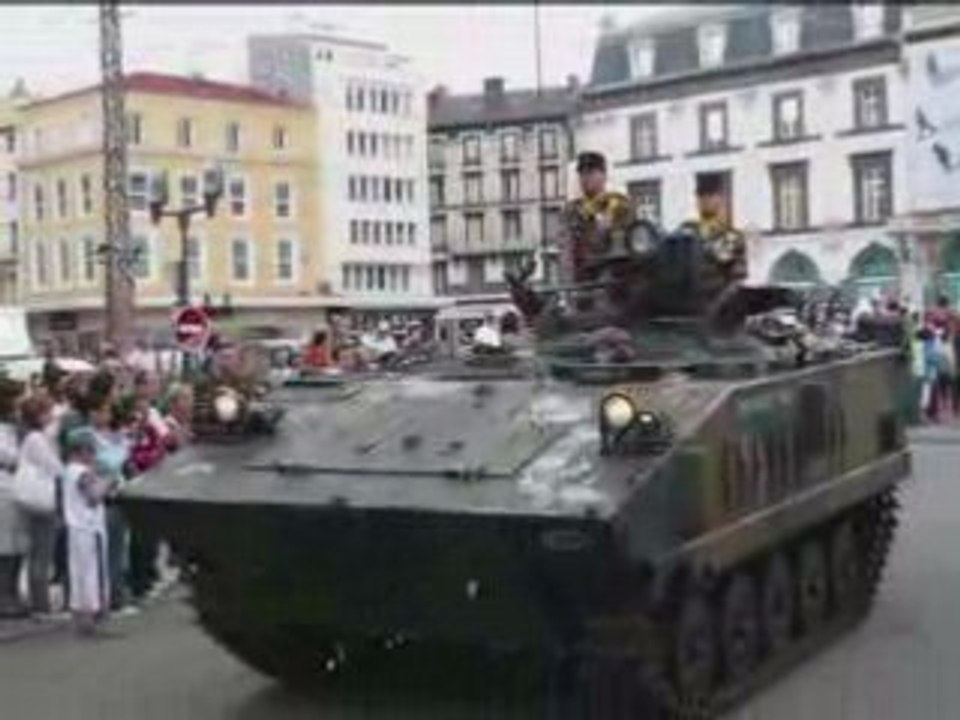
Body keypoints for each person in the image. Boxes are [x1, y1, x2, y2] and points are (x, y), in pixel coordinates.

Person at [61, 427, 113, 636]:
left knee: (79, 572)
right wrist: (109, 480)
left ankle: (82, 617)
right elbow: (93, 496)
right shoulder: (80, 471)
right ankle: (91, 618)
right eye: (91, 451)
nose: (93, 455)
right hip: (88, 527)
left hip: (76, 527)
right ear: (81, 450)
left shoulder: (68, 470)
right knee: (92, 573)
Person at [557, 151, 636, 286]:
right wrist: (568, 286)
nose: (585, 178)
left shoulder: (621, 206)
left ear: (604, 176)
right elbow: (566, 251)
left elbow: (633, 246)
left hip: (616, 282)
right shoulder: (572, 211)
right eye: (582, 174)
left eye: (591, 173)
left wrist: (609, 225)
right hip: (583, 283)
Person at [17, 392, 64, 616]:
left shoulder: (32, 437)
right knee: (41, 554)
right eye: (48, 412)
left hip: (36, 499)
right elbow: (55, 467)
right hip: (42, 500)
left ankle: (39, 601)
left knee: (39, 552)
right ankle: (40, 604)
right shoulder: (36, 439)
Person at [677, 172, 747, 309]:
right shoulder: (686, 229)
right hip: (683, 302)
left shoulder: (731, 236)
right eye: (701, 196)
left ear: (720, 199)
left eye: (710, 196)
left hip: (717, 307)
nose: (705, 200)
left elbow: (737, 280)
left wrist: (716, 306)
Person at [0, 378, 27, 618]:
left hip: (16, 488)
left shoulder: (15, 428)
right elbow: (12, 458)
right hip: (3, 490)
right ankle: (5, 596)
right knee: (6, 546)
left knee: (18, 544)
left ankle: (14, 592)